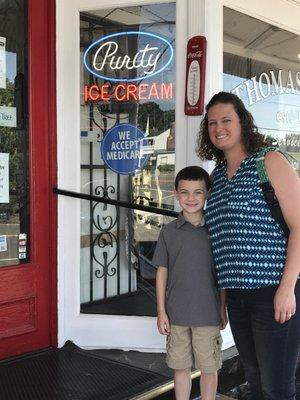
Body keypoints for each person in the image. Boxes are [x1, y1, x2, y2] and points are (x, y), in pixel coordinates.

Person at [197, 91, 300, 400]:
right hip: (238, 297)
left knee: (276, 387)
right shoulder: (217, 176)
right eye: (212, 123)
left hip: (274, 291)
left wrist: (286, 289)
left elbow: (298, 226)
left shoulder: (268, 161)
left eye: (226, 120)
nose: (219, 128)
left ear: (242, 123)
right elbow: (225, 243)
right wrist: (222, 299)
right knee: (254, 380)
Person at [153, 166, 227, 400]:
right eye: (185, 192)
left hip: (207, 314)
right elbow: (161, 273)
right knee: (180, 367)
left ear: (207, 194)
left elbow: (222, 275)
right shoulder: (168, 232)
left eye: (198, 192)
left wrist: (222, 308)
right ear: (176, 194)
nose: (191, 198)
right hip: (176, 315)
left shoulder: (216, 230)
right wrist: (161, 311)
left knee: (209, 368)